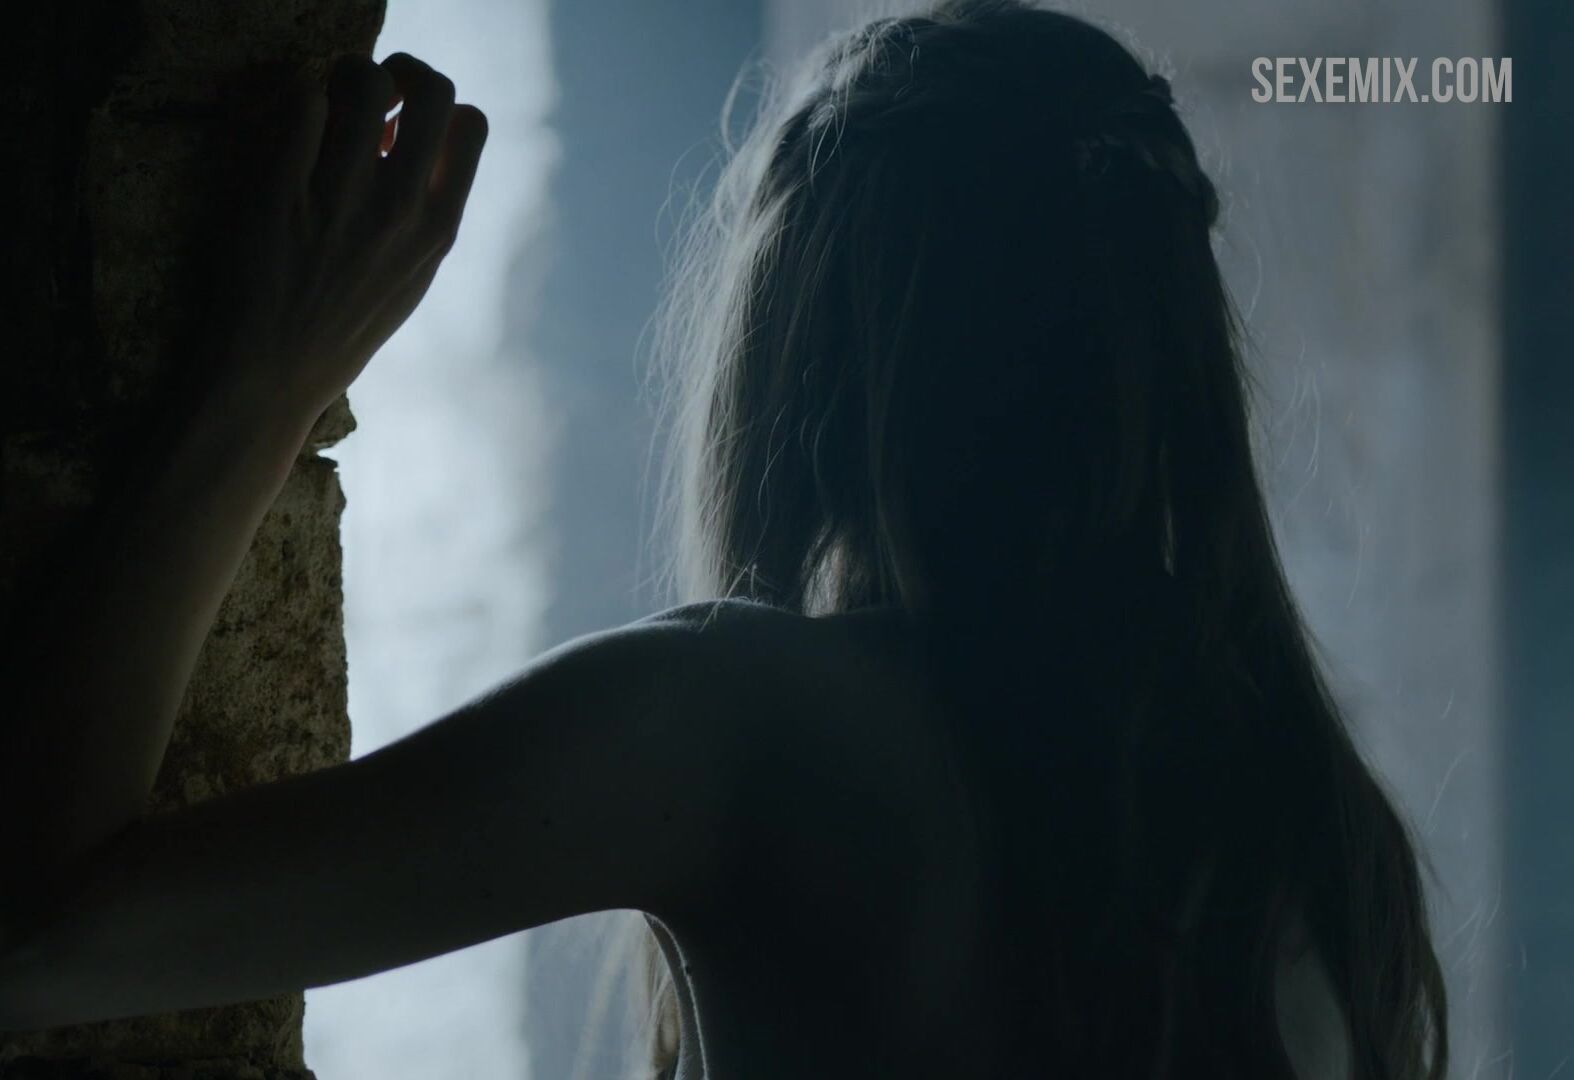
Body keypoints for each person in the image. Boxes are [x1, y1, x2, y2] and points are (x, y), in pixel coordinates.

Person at [0, 2, 1449, 1078]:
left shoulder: (741, 728)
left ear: (811, 350)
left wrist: (260, 387)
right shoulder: (1315, 827)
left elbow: (32, 942)